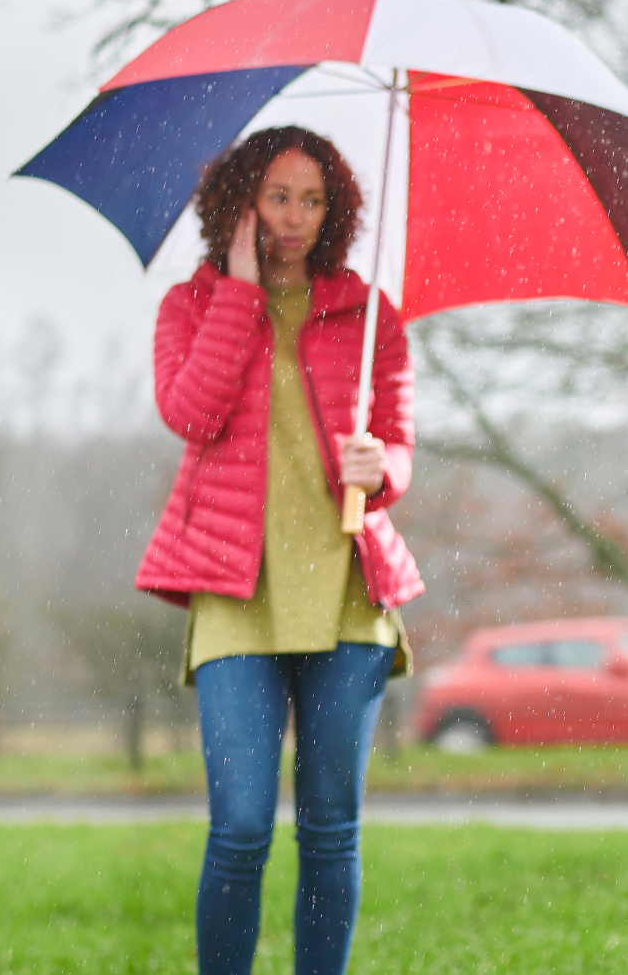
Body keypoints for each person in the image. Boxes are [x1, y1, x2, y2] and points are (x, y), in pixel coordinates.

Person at [135, 125, 424, 975]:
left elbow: (400, 449)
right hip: (234, 590)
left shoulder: (372, 318)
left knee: (330, 828)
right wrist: (240, 289)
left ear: (334, 210)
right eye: (277, 196)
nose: (295, 216)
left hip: (345, 592)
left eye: (313, 199)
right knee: (242, 825)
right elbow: (190, 412)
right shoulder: (188, 307)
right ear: (240, 203)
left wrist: (383, 466)